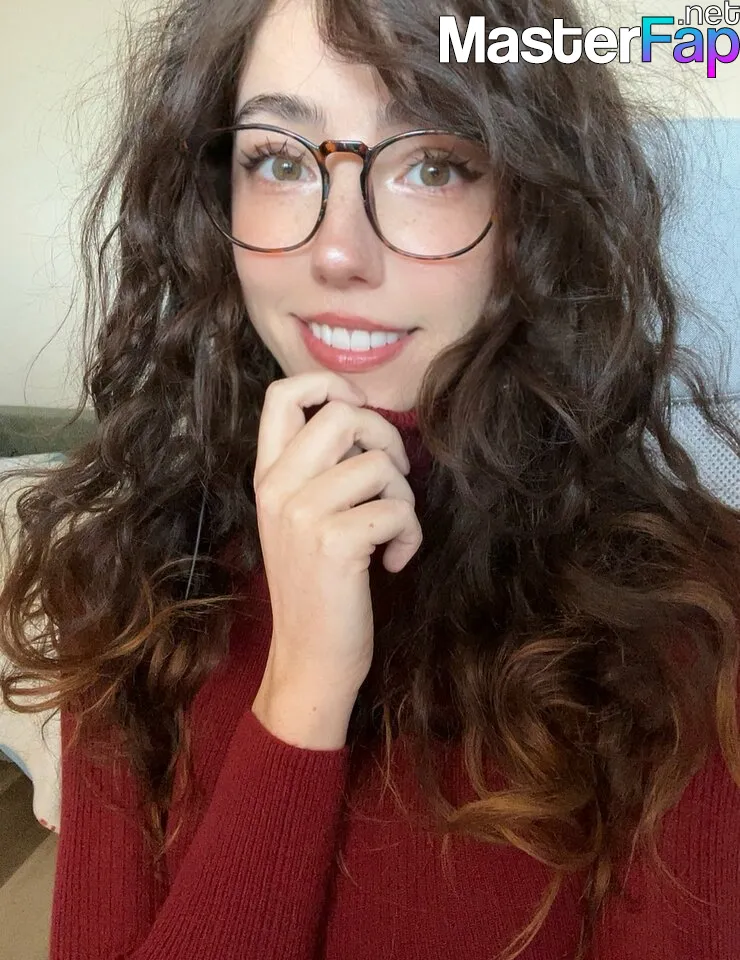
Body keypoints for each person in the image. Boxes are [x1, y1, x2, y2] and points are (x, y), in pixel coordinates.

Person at [0, 0, 739, 957]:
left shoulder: (692, 628)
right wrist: (303, 692)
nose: (337, 252)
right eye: (278, 159)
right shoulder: (122, 573)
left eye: (432, 164)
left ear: (537, 206)